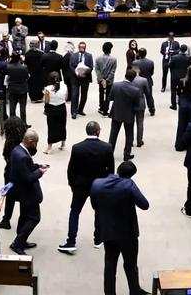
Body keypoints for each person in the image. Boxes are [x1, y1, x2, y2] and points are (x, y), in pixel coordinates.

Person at [91, 161, 150, 295]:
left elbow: (95, 205)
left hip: (108, 231)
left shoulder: (97, 184)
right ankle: (134, 290)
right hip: (128, 233)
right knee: (130, 264)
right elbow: (144, 204)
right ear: (131, 175)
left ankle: (109, 292)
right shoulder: (128, 185)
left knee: (110, 264)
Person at [58, 121, 115, 254]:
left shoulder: (77, 148)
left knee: (75, 211)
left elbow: (71, 169)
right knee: (99, 211)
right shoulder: (107, 147)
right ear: (98, 131)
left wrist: (72, 184)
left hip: (80, 185)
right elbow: (111, 171)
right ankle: (98, 239)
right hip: (99, 186)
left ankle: (71, 241)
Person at [9, 129, 48, 255]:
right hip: (27, 192)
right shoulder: (22, 156)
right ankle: (18, 242)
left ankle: (22, 239)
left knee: (24, 216)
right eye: (35, 143)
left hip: (21, 191)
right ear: (30, 141)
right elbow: (28, 178)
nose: (35, 146)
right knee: (34, 218)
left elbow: (25, 168)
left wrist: (36, 166)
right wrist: (40, 172)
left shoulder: (17, 150)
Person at [0, 116, 27, 230]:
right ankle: (22, 222)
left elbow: (5, 157)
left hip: (10, 171)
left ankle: (6, 219)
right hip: (22, 171)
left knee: (9, 195)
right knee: (23, 196)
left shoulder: (9, 144)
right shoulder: (24, 141)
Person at [108, 69, 142, 161]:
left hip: (116, 113)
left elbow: (110, 98)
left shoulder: (115, 85)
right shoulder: (135, 90)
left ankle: (109, 153)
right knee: (129, 135)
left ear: (125, 75)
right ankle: (126, 154)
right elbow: (137, 105)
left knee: (113, 134)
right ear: (133, 78)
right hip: (129, 114)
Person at [174, 64, 191, 151]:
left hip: (183, 104)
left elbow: (178, 92)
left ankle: (179, 145)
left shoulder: (182, 81)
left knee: (181, 124)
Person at [43, 71, 68, 154]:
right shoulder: (64, 86)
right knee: (62, 126)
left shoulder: (48, 89)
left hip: (52, 109)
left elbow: (46, 101)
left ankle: (49, 147)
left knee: (51, 128)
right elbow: (66, 97)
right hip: (62, 108)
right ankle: (63, 144)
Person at [69, 41, 94, 119]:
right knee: (74, 94)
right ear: (78, 47)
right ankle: (74, 111)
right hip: (75, 77)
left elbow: (91, 67)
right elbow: (71, 65)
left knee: (84, 95)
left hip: (85, 78)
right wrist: (77, 73)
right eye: (81, 47)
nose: (82, 48)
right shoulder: (73, 55)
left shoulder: (89, 56)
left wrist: (85, 73)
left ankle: (80, 109)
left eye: (83, 47)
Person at [5, 53, 29, 125]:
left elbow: (6, 77)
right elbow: (27, 77)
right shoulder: (23, 67)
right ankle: (24, 123)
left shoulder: (8, 67)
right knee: (22, 108)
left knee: (12, 108)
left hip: (12, 89)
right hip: (22, 89)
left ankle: (12, 123)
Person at [96, 41, 117, 116]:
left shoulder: (98, 58)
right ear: (110, 49)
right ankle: (105, 110)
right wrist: (107, 79)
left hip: (101, 80)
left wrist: (101, 79)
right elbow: (113, 71)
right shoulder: (113, 59)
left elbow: (97, 70)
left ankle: (101, 107)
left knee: (101, 93)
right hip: (109, 80)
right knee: (108, 95)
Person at [131, 48, 155, 116]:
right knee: (149, 96)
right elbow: (152, 72)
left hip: (138, 81)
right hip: (148, 80)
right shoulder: (151, 62)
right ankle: (152, 109)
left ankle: (136, 108)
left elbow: (134, 73)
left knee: (137, 96)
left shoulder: (135, 62)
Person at [132, 67, 151, 148]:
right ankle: (139, 141)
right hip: (140, 102)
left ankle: (130, 141)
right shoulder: (144, 80)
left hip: (131, 103)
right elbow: (147, 93)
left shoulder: (129, 79)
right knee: (140, 122)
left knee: (130, 123)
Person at [169, 44, 191, 110]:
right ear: (186, 50)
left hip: (175, 76)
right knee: (184, 90)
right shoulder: (189, 57)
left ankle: (174, 105)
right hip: (184, 77)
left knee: (173, 90)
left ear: (180, 49)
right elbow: (190, 67)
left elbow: (170, 65)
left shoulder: (174, 57)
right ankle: (182, 103)